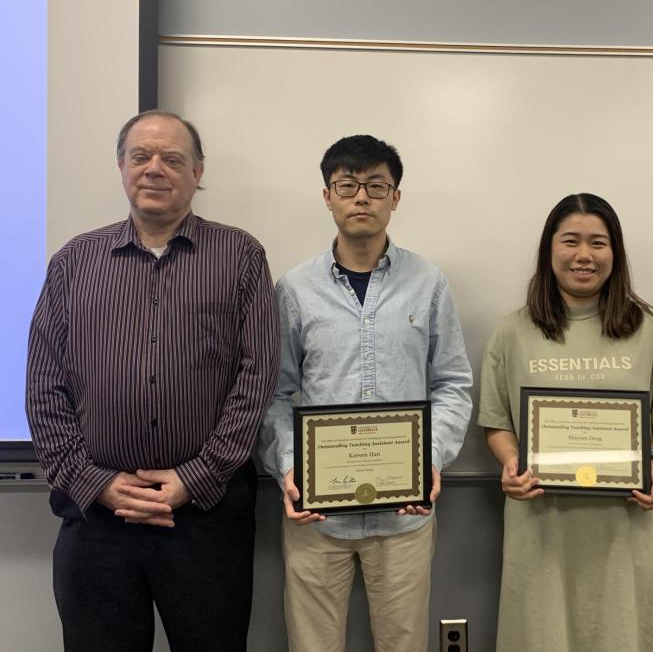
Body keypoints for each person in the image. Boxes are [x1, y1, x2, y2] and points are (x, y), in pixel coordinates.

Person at [25, 110, 279, 652]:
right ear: (121, 166)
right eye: (140, 156)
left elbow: (256, 379)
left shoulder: (241, 257)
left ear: (197, 171)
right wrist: (94, 482)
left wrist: (197, 476)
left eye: (172, 158)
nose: (155, 169)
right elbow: (44, 386)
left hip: (206, 518)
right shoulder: (74, 262)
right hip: (97, 519)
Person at [258, 134, 473, 652]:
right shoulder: (293, 289)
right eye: (347, 185)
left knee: (403, 644)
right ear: (327, 195)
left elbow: (453, 384)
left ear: (395, 197)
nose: (362, 197)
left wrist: (430, 458)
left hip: (404, 516)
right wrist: (290, 468)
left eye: (376, 185)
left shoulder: (429, 283)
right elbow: (275, 394)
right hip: (316, 516)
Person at [478, 192, 653, 652]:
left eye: (598, 243)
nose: (584, 255)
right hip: (542, 522)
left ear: (614, 253)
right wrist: (511, 461)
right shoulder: (512, 331)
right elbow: (496, 422)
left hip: (631, 524)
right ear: (549, 249)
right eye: (570, 241)